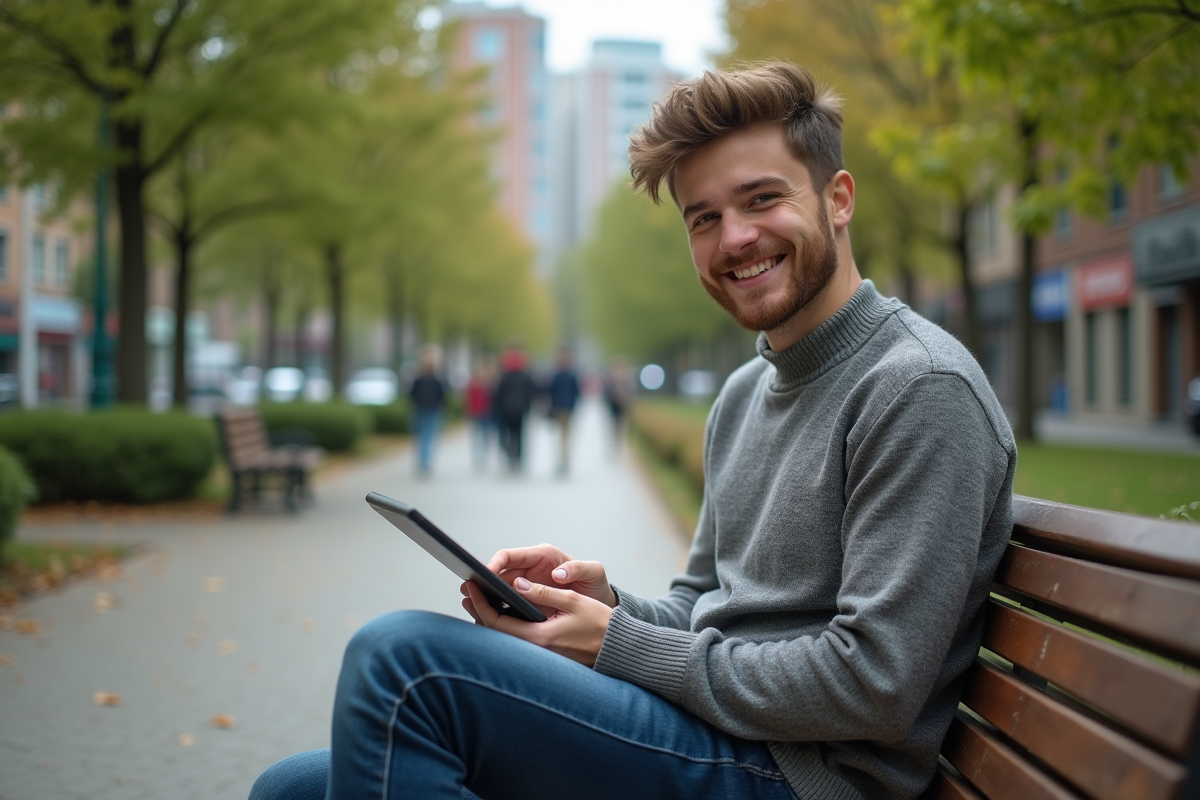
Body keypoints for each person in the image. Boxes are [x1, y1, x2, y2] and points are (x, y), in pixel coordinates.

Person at [250, 62, 1015, 800]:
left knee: (404, 663)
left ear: (838, 198)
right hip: (717, 736)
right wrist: (606, 603)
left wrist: (614, 643)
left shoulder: (918, 389)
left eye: (761, 200)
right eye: (705, 218)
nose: (735, 238)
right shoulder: (748, 391)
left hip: (802, 777)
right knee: (290, 789)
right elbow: (700, 606)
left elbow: (871, 686)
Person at [491, 343, 537, 472]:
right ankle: (518, 457)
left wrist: (497, 407)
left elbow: (498, 393)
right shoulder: (526, 376)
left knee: (508, 433)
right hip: (521, 410)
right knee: (519, 434)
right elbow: (532, 392)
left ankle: (510, 454)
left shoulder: (505, 376)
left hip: (506, 410)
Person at [408, 349, 446, 477]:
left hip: (420, 409)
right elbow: (442, 395)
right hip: (433, 410)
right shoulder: (436, 380)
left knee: (422, 436)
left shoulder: (418, 380)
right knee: (429, 436)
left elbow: (412, 394)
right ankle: (425, 461)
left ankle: (422, 461)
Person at [546, 347, 581, 474]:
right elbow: (577, 392)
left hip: (558, 407)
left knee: (560, 434)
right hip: (568, 408)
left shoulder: (555, 375)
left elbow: (550, 391)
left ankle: (562, 459)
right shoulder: (572, 375)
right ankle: (565, 459)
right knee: (565, 435)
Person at [465, 358, 497, 469]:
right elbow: (469, 399)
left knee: (486, 435)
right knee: (477, 435)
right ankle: (477, 455)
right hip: (477, 413)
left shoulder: (492, 384)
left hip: (488, 413)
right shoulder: (474, 384)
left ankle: (484, 454)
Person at [602, 358, 635, 452]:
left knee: (621, 423)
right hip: (613, 404)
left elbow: (631, 391)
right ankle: (614, 442)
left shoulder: (627, 379)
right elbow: (607, 391)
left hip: (623, 405)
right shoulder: (611, 379)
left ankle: (619, 442)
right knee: (613, 424)